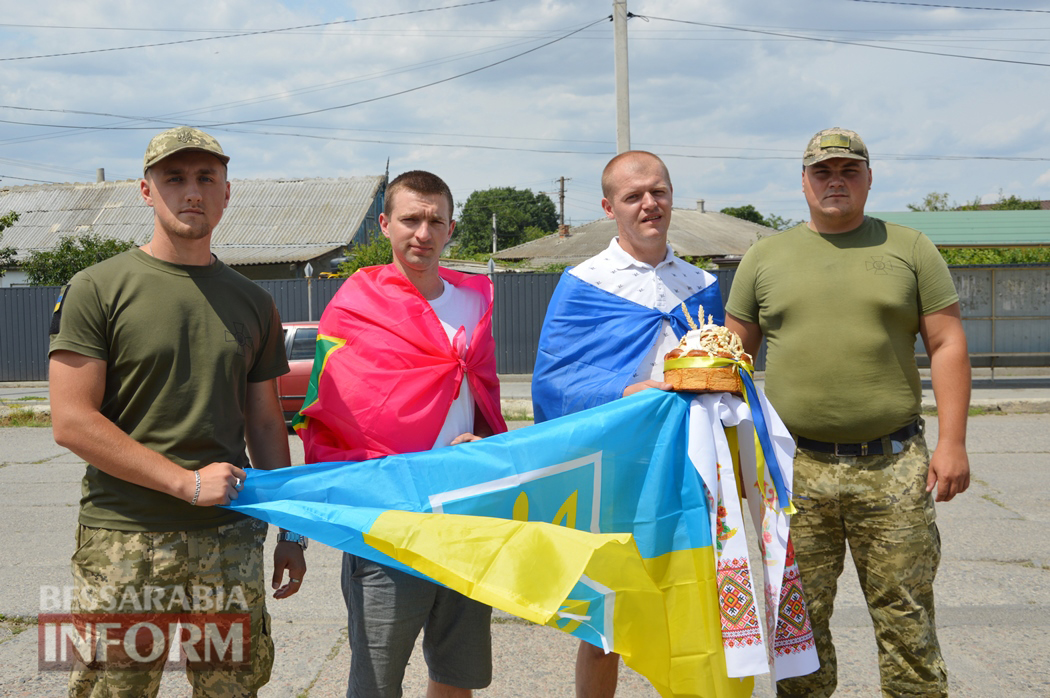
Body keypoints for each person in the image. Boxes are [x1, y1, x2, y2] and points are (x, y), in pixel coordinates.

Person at [49, 126, 307, 697]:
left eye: (205, 179)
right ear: (146, 191)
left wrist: (291, 529)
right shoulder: (97, 288)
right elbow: (71, 420)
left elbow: (266, 422)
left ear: (226, 192)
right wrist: (186, 483)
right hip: (126, 538)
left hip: (229, 539)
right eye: (175, 178)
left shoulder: (252, 301)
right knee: (113, 690)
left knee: (232, 689)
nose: (192, 192)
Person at [725, 127, 971, 698]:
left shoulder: (910, 248)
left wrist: (952, 443)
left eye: (848, 171)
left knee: (906, 619)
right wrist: (730, 458)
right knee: (799, 626)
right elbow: (731, 359)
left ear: (868, 177)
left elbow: (947, 343)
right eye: (822, 172)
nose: (835, 181)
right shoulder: (765, 256)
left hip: (892, 465)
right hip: (794, 470)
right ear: (804, 180)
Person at [295, 170, 507, 698]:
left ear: (451, 228)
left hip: (463, 513)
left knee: (458, 675)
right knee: (377, 680)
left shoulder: (475, 302)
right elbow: (330, 410)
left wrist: (486, 445)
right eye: (411, 219)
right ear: (386, 224)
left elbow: (482, 394)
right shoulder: (354, 303)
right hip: (390, 515)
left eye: (436, 220)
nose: (423, 232)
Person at [532, 151, 724, 697]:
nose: (649, 204)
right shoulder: (584, 282)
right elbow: (554, 384)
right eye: (634, 196)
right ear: (608, 206)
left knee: (693, 606)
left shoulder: (702, 284)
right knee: (605, 621)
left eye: (659, 192)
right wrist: (627, 390)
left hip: (692, 467)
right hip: (617, 470)